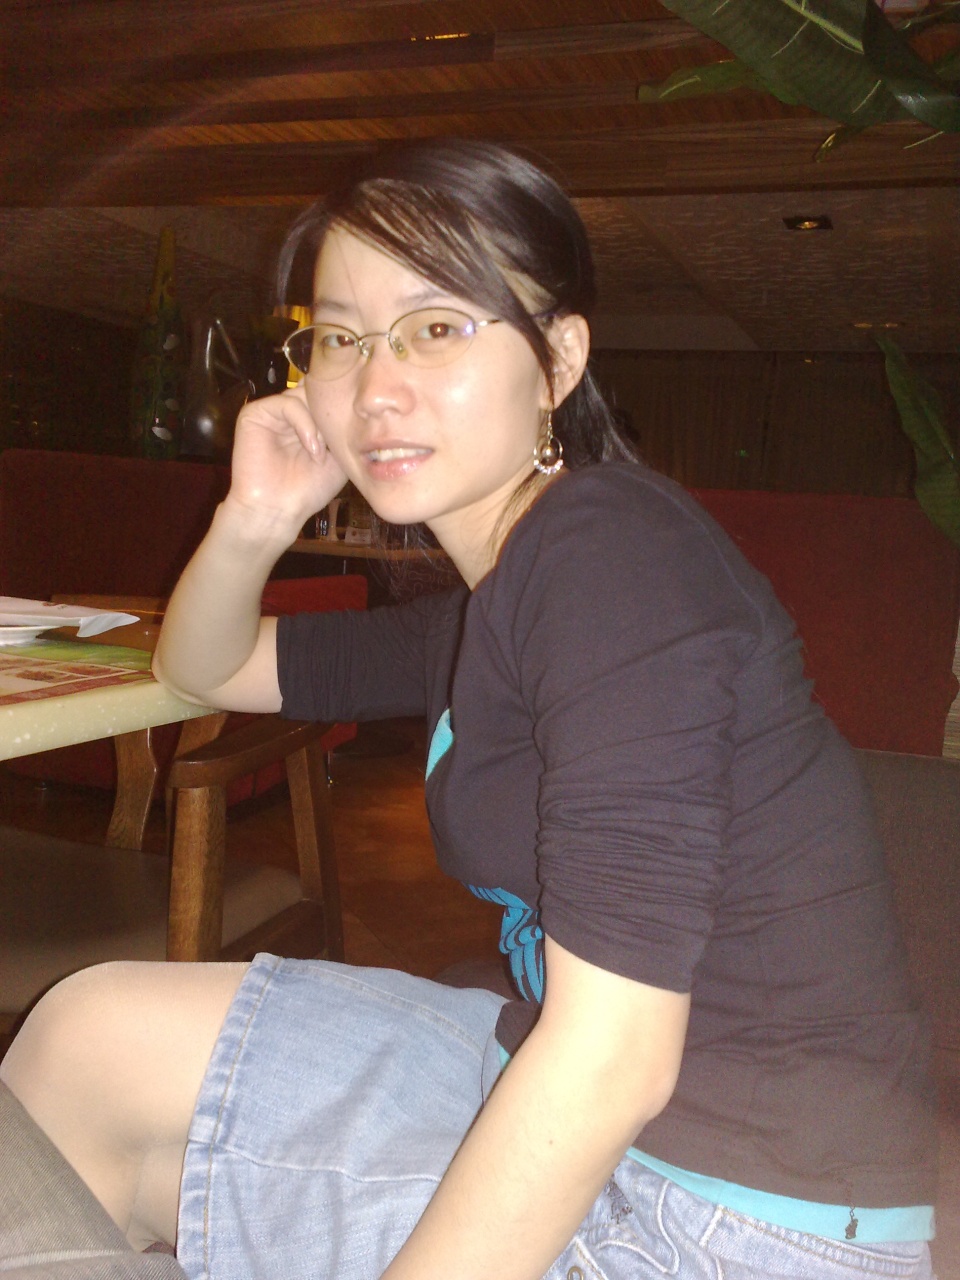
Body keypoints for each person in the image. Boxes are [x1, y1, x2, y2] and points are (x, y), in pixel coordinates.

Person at [1, 141, 938, 1280]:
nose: (374, 387)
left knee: (87, 1111)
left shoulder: (611, 556)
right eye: (339, 338)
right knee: (85, 1036)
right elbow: (209, 668)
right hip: (577, 1090)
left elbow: (615, 1059)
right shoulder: (498, 598)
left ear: (557, 359)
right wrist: (256, 514)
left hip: (734, 1220)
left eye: (436, 326)